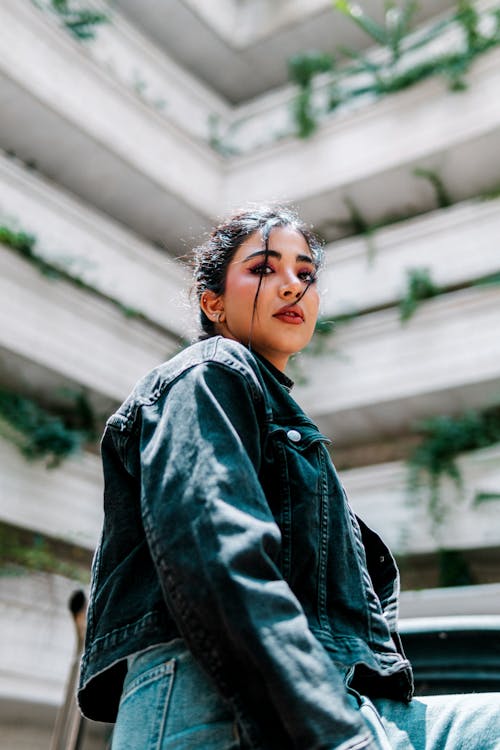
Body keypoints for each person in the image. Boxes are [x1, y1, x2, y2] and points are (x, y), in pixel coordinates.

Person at [77, 206, 500, 749]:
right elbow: (218, 558)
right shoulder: (208, 371)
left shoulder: (287, 430)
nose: (292, 287)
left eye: (305, 274)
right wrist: (334, 734)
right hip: (213, 701)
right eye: (263, 269)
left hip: (342, 702)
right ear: (213, 303)